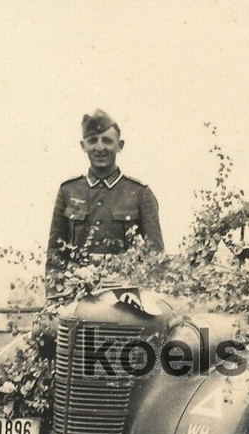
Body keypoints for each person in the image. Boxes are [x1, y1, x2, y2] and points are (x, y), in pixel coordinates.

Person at [45, 109, 164, 297]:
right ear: (83, 146)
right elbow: (54, 256)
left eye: (107, 141)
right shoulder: (68, 191)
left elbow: (154, 257)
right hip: (77, 298)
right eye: (93, 141)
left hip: (126, 299)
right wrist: (55, 300)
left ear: (120, 145)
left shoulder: (140, 193)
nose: (99, 148)